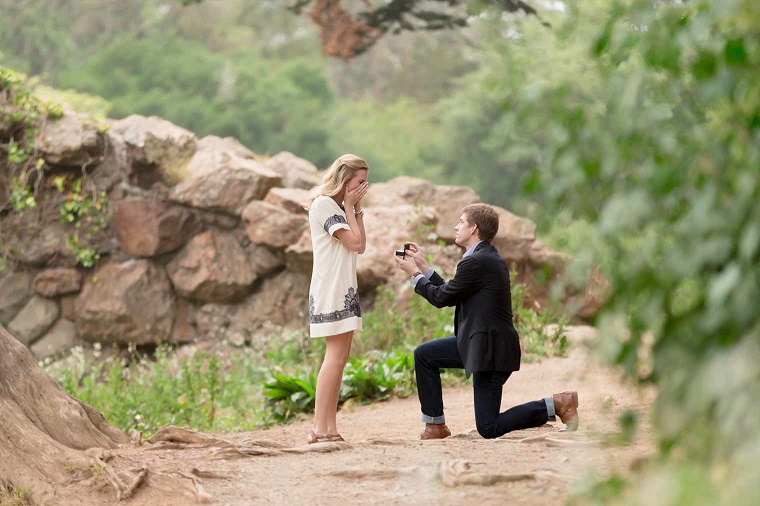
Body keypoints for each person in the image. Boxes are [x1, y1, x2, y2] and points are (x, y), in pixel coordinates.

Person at [394, 203, 579, 440]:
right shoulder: (481, 258)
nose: (456, 226)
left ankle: (556, 404)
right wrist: (424, 267)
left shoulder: (478, 261)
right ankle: (435, 425)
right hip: (477, 343)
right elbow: (451, 292)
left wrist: (414, 275)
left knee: (488, 427)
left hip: (490, 351)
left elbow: (441, 298)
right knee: (425, 355)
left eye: (461, 222)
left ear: (474, 228)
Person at [304, 154, 369, 444]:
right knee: (333, 357)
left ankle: (329, 427)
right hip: (330, 288)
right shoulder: (324, 204)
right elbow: (353, 242)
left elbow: (361, 246)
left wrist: (355, 209)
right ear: (345, 180)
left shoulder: (342, 208)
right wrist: (351, 207)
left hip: (345, 287)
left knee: (341, 358)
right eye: (359, 182)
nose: (363, 187)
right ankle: (319, 428)